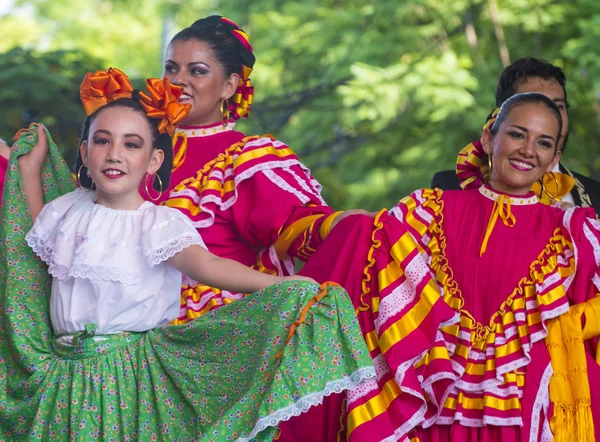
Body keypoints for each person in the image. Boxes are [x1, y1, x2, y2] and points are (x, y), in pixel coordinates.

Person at [0, 70, 376, 440]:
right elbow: (30, 245)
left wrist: (279, 283)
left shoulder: (158, 223)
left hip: (129, 378)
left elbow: (206, 264)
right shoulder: (65, 210)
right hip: (63, 378)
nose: (115, 154)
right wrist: (30, 172)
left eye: (131, 145)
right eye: (102, 141)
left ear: (152, 161)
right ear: (84, 152)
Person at [299, 93, 600, 440]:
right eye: (517, 134)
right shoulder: (429, 211)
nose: (528, 149)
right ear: (489, 138)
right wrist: (345, 228)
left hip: (528, 403)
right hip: (434, 394)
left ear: (554, 159)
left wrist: (570, 324)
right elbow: (371, 255)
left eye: (543, 142)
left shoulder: (574, 231)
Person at [153, 15, 368, 324]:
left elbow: (294, 224)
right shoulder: (134, 147)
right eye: (171, 68)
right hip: (125, 321)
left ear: (229, 85)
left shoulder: (245, 157)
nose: (178, 80)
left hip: (213, 329)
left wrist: (340, 226)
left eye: (197, 71)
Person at [432, 57, 600, 216]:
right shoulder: (448, 191)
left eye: (558, 106)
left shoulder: (595, 195)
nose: (547, 117)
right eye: (533, 103)